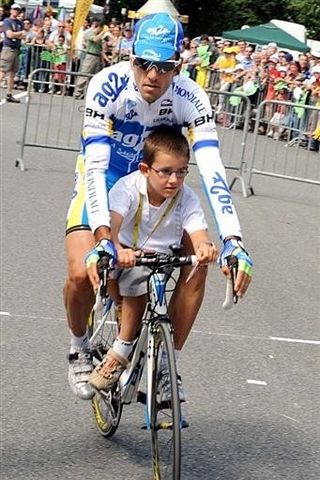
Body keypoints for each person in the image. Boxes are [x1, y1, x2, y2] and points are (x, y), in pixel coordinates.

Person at [64, 12, 253, 401]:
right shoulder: (106, 85)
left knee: (198, 263)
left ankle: (165, 366)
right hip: (110, 178)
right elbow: (96, 166)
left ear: (177, 66)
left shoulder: (190, 96)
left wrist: (233, 239)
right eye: (143, 62)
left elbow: (213, 168)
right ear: (130, 57)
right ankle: (79, 346)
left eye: (164, 66)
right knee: (83, 273)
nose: (153, 74)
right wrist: (103, 237)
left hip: (159, 180)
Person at [89, 127, 218, 394]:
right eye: (166, 172)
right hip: (127, 256)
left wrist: (206, 247)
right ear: (145, 169)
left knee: (197, 268)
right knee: (137, 280)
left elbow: (198, 232)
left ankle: (167, 367)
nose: (174, 180)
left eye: (182, 171)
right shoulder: (127, 187)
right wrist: (117, 248)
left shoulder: (186, 197)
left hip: (163, 258)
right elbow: (110, 228)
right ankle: (121, 348)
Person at [0, 3, 25, 103]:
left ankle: (9, 94)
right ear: (11, 10)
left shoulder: (20, 23)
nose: (16, 11)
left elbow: (23, 36)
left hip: (17, 49)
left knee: (13, 73)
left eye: (18, 10)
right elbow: (9, 35)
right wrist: (18, 34)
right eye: (14, 9)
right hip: (8, 48)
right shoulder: (7, 21)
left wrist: (17, 35)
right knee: (2, 70)